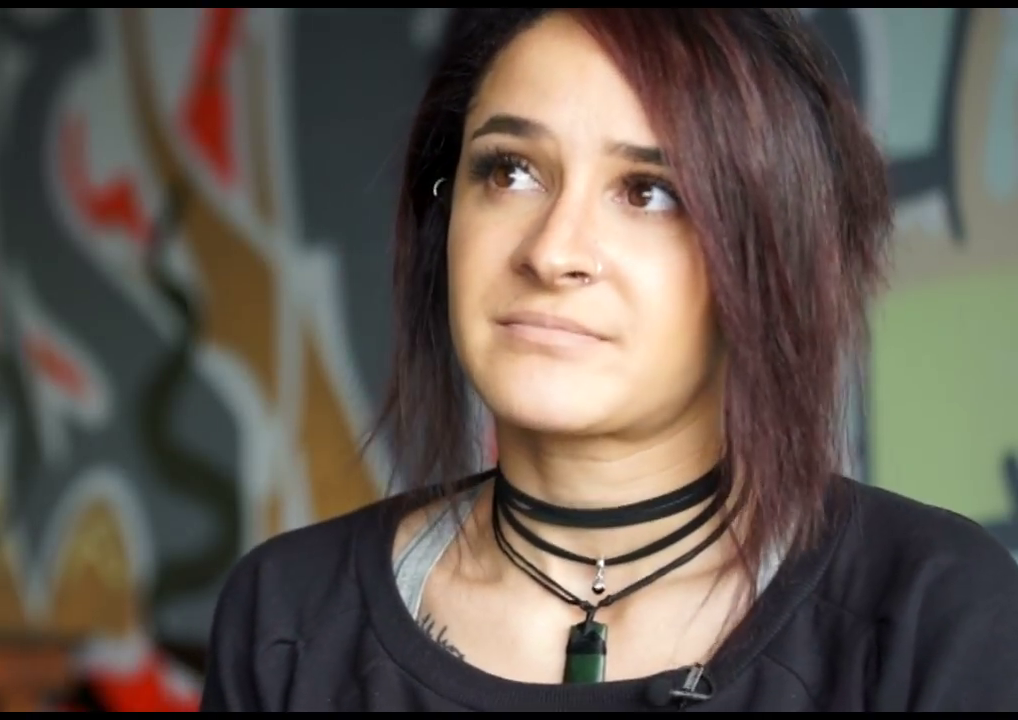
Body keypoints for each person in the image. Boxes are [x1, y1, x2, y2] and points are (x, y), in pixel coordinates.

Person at [199, 8, 1018, 712]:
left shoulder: (931, 612)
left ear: (771, 251)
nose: (553, 251)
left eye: (648, 191)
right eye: (511, 171)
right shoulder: (289, 620)